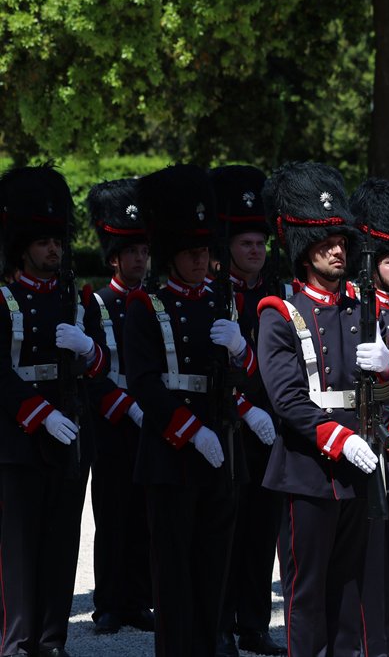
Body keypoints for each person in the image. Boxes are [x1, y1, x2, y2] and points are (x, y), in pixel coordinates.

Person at [124, 164, 261, 657]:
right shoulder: (147, 307)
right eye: (191, 253)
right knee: (175, 576)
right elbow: (144, 384)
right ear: (172, 256)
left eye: (206, 251)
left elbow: (240, 379)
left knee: (213, 572)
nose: (202, 261)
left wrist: (241, 352)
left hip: (222, 452)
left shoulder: (223, 305)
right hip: (172, 456)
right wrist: (191, 431)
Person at [256, 162, 383, 655]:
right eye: (326, 240)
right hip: (308, 469)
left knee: (351, 586)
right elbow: (287, 399)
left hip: (360, 463)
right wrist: (340, 438)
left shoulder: (359, 305)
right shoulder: (279, 312)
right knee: (306, 594)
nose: (338, 248)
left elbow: (376, 389)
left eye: (341, 240)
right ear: (304, 249)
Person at [0, 166, 108, 657]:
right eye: (42, 242)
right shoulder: (3, 299)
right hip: (18, 434)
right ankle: (18, 639)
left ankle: (51, 637)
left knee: (63, 541)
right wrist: (37, 413)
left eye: (56, 241)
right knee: (19, 546)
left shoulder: (77, 299)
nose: (53, 250)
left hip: (69, 429)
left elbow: (102, 363)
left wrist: (87, 348)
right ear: (22, 247)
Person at [208, 164, 285, 657]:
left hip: (269, 426)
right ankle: (220, 627)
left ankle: (255, 623)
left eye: (260, 243)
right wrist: (243, 408)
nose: (255, 251)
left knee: (262, 530)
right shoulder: (216, 293)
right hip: (228, 424)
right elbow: (214, 371)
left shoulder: (275, 293)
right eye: (245, 244)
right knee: (224, 533)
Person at [85, 178, 156, 638]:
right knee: (111, 515)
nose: (139, 259)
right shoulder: (98, 302)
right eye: (130, 252)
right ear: (114, 256)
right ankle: (108, 603)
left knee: (144, 514)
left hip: (151, 420)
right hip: (113, 424)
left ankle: (137, 598)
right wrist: (126, 408)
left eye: (143, 251)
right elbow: (92, 368)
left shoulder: (154, 301)